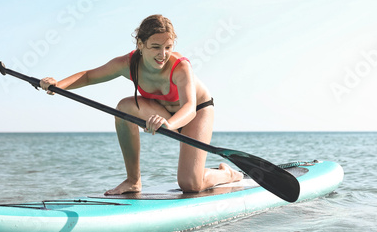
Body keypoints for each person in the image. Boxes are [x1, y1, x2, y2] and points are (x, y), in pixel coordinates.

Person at [40, 14, 243, 195]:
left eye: (168, 47)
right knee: (122, 108)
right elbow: (89, 76)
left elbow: (189, 107)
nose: (162, 54)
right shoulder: (127, 64)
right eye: (155, 47)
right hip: (161, 111)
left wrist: (170, 124)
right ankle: (133, 181)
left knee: (190, 184)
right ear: (140, 44)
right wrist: (58, 85)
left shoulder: (180, 67)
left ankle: (227, 174)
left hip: (196, 112)